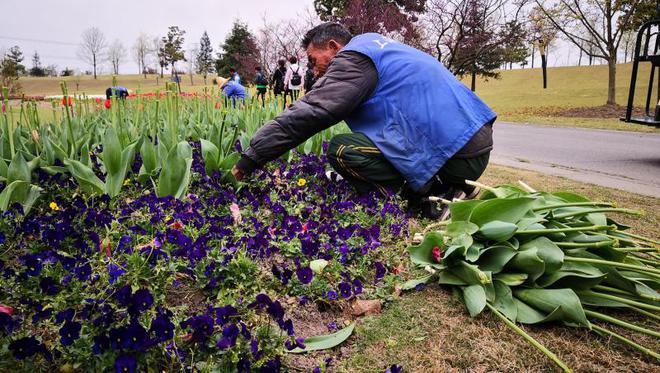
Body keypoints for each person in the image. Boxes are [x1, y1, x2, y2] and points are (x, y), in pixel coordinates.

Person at [232, 23, 495, 220]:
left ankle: (430, 198)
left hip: (456, 151)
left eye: (314, 60)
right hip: (473, 140)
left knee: (344, 150)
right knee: (373, 143)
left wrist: (252, 157)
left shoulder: (354, 59)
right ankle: (455, 187)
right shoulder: (377, 46)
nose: (313, 70)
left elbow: (311, 112)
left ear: (334, 47)